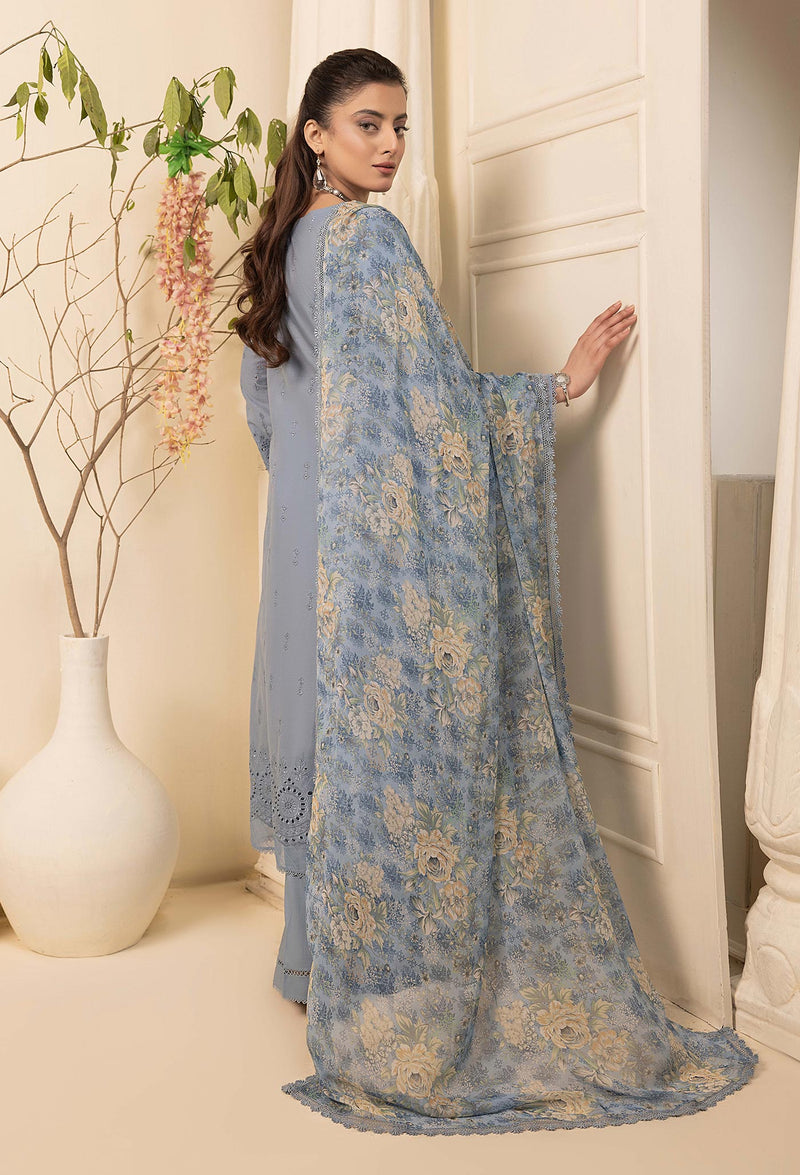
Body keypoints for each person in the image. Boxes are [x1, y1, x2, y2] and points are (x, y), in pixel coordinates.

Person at [234, 47, 757, 1135]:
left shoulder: (280, 250)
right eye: (368, 124)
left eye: (400, 125)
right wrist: (552, 387)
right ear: (315, 135)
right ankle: (382, 999)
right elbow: (429, 403)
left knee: (323, 741)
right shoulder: (367, 241)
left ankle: (310, 969)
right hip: (362, 556)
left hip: (298, 541)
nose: (389, 145)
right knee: (389, 744)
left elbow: (268, 416)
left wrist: (330, 486)